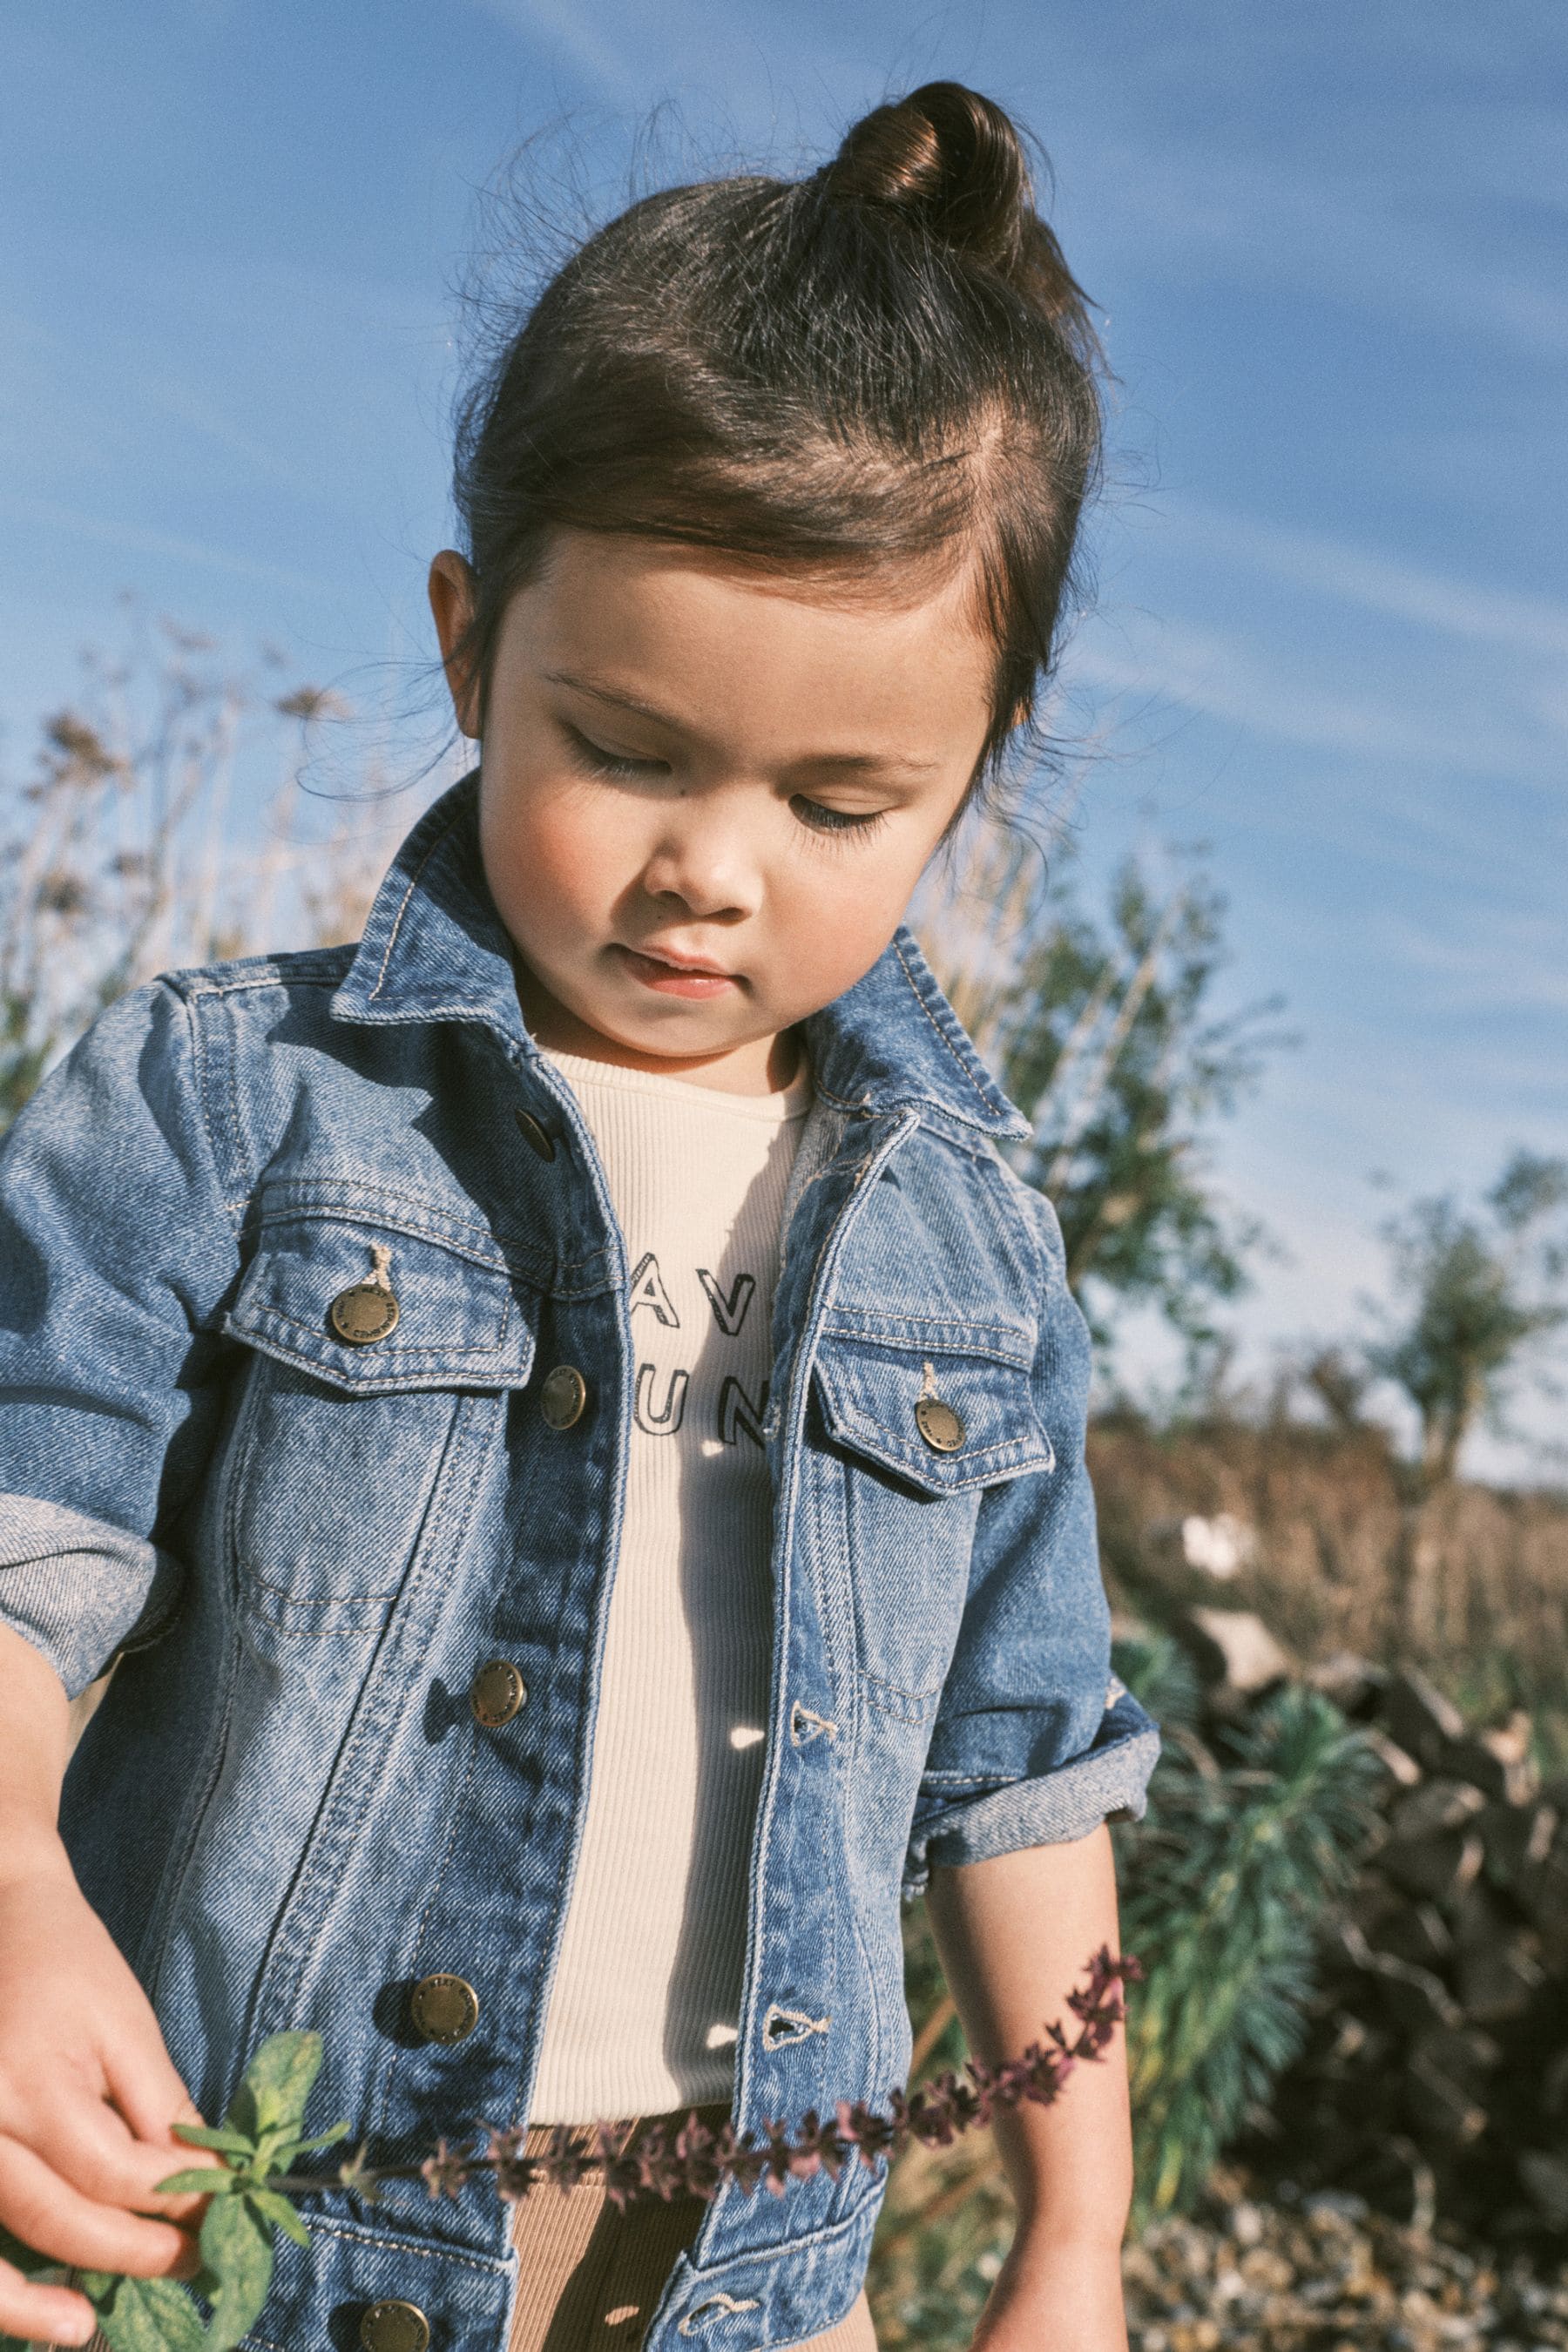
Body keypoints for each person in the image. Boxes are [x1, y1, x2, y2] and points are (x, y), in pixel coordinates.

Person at [0, 79, 1161, 2352]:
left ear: (975, 767)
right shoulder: (242, 1099)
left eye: (842, 799)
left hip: (740, 2290)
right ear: (468, 647)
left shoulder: (975, 1245)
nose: (710, 866)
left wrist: (1077, 2233)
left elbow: (1031, 1772)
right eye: (624, 746)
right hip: (235, 2247)